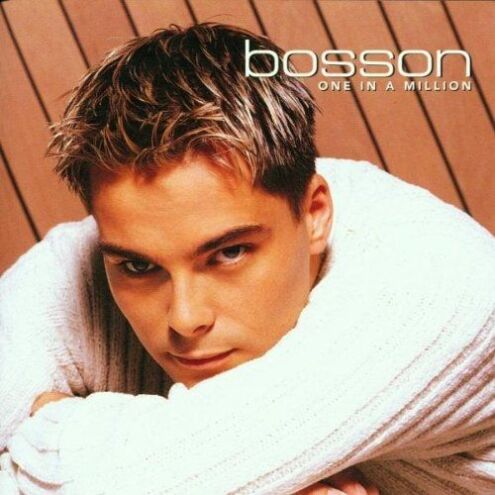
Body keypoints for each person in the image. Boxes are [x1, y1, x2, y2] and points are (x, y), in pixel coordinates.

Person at [0, 23, 494, 495]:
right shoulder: (88, 263)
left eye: (229, 253)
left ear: (314, 214)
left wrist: (50, 422)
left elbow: (107, 483)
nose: (185, 319)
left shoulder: (434, 284)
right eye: (139, 267)